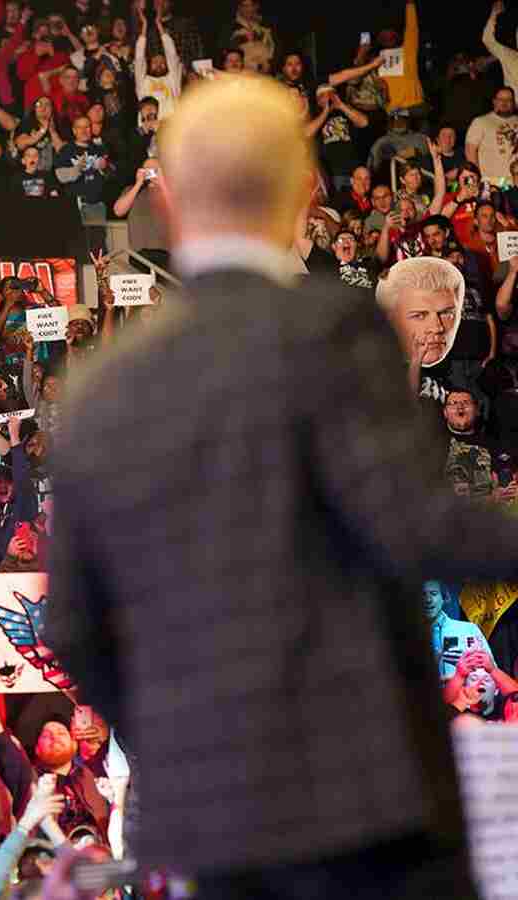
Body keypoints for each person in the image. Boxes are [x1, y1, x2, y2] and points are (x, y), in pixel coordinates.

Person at [48, 75, 502, 898]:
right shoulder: (332, 328)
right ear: (304, 191)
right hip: (366, 806)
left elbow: (74, 626)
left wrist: (183, 738)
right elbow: (408, 524)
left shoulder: (98, 391)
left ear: (171, 203)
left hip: (216, 826)